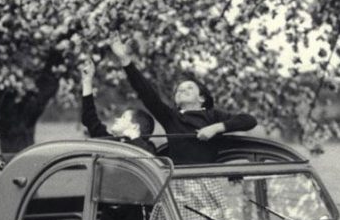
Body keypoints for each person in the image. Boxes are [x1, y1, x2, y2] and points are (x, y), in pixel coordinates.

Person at [107, 39, 257, 165]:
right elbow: (146, 93)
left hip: (208, 179)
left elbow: (249, 120)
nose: (182, 91)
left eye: (189, 88)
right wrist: (125, 60)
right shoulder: (171, 117)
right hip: (180, 181)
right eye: (179, 90)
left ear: (202, 98)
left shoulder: (213, 115)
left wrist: (216, 128)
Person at [79, 59, 155, 153]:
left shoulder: (148, 149)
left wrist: (134, 138)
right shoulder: (111, 143)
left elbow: (149, 160)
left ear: (135, 127)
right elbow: (89, 118)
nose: (116, 119)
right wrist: (87, 81)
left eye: (123, 118)